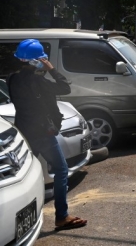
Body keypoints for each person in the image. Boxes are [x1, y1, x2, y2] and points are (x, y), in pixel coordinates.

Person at [8, 39, 87, 231]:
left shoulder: (12, 79)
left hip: (25, 133)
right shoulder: (39, 82)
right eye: (42, 58)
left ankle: (21, 218)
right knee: (60, 171)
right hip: (43, 134)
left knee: (26, 176)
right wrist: (51, 68)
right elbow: (65, 87)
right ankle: (61, 216)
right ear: (37, 61)